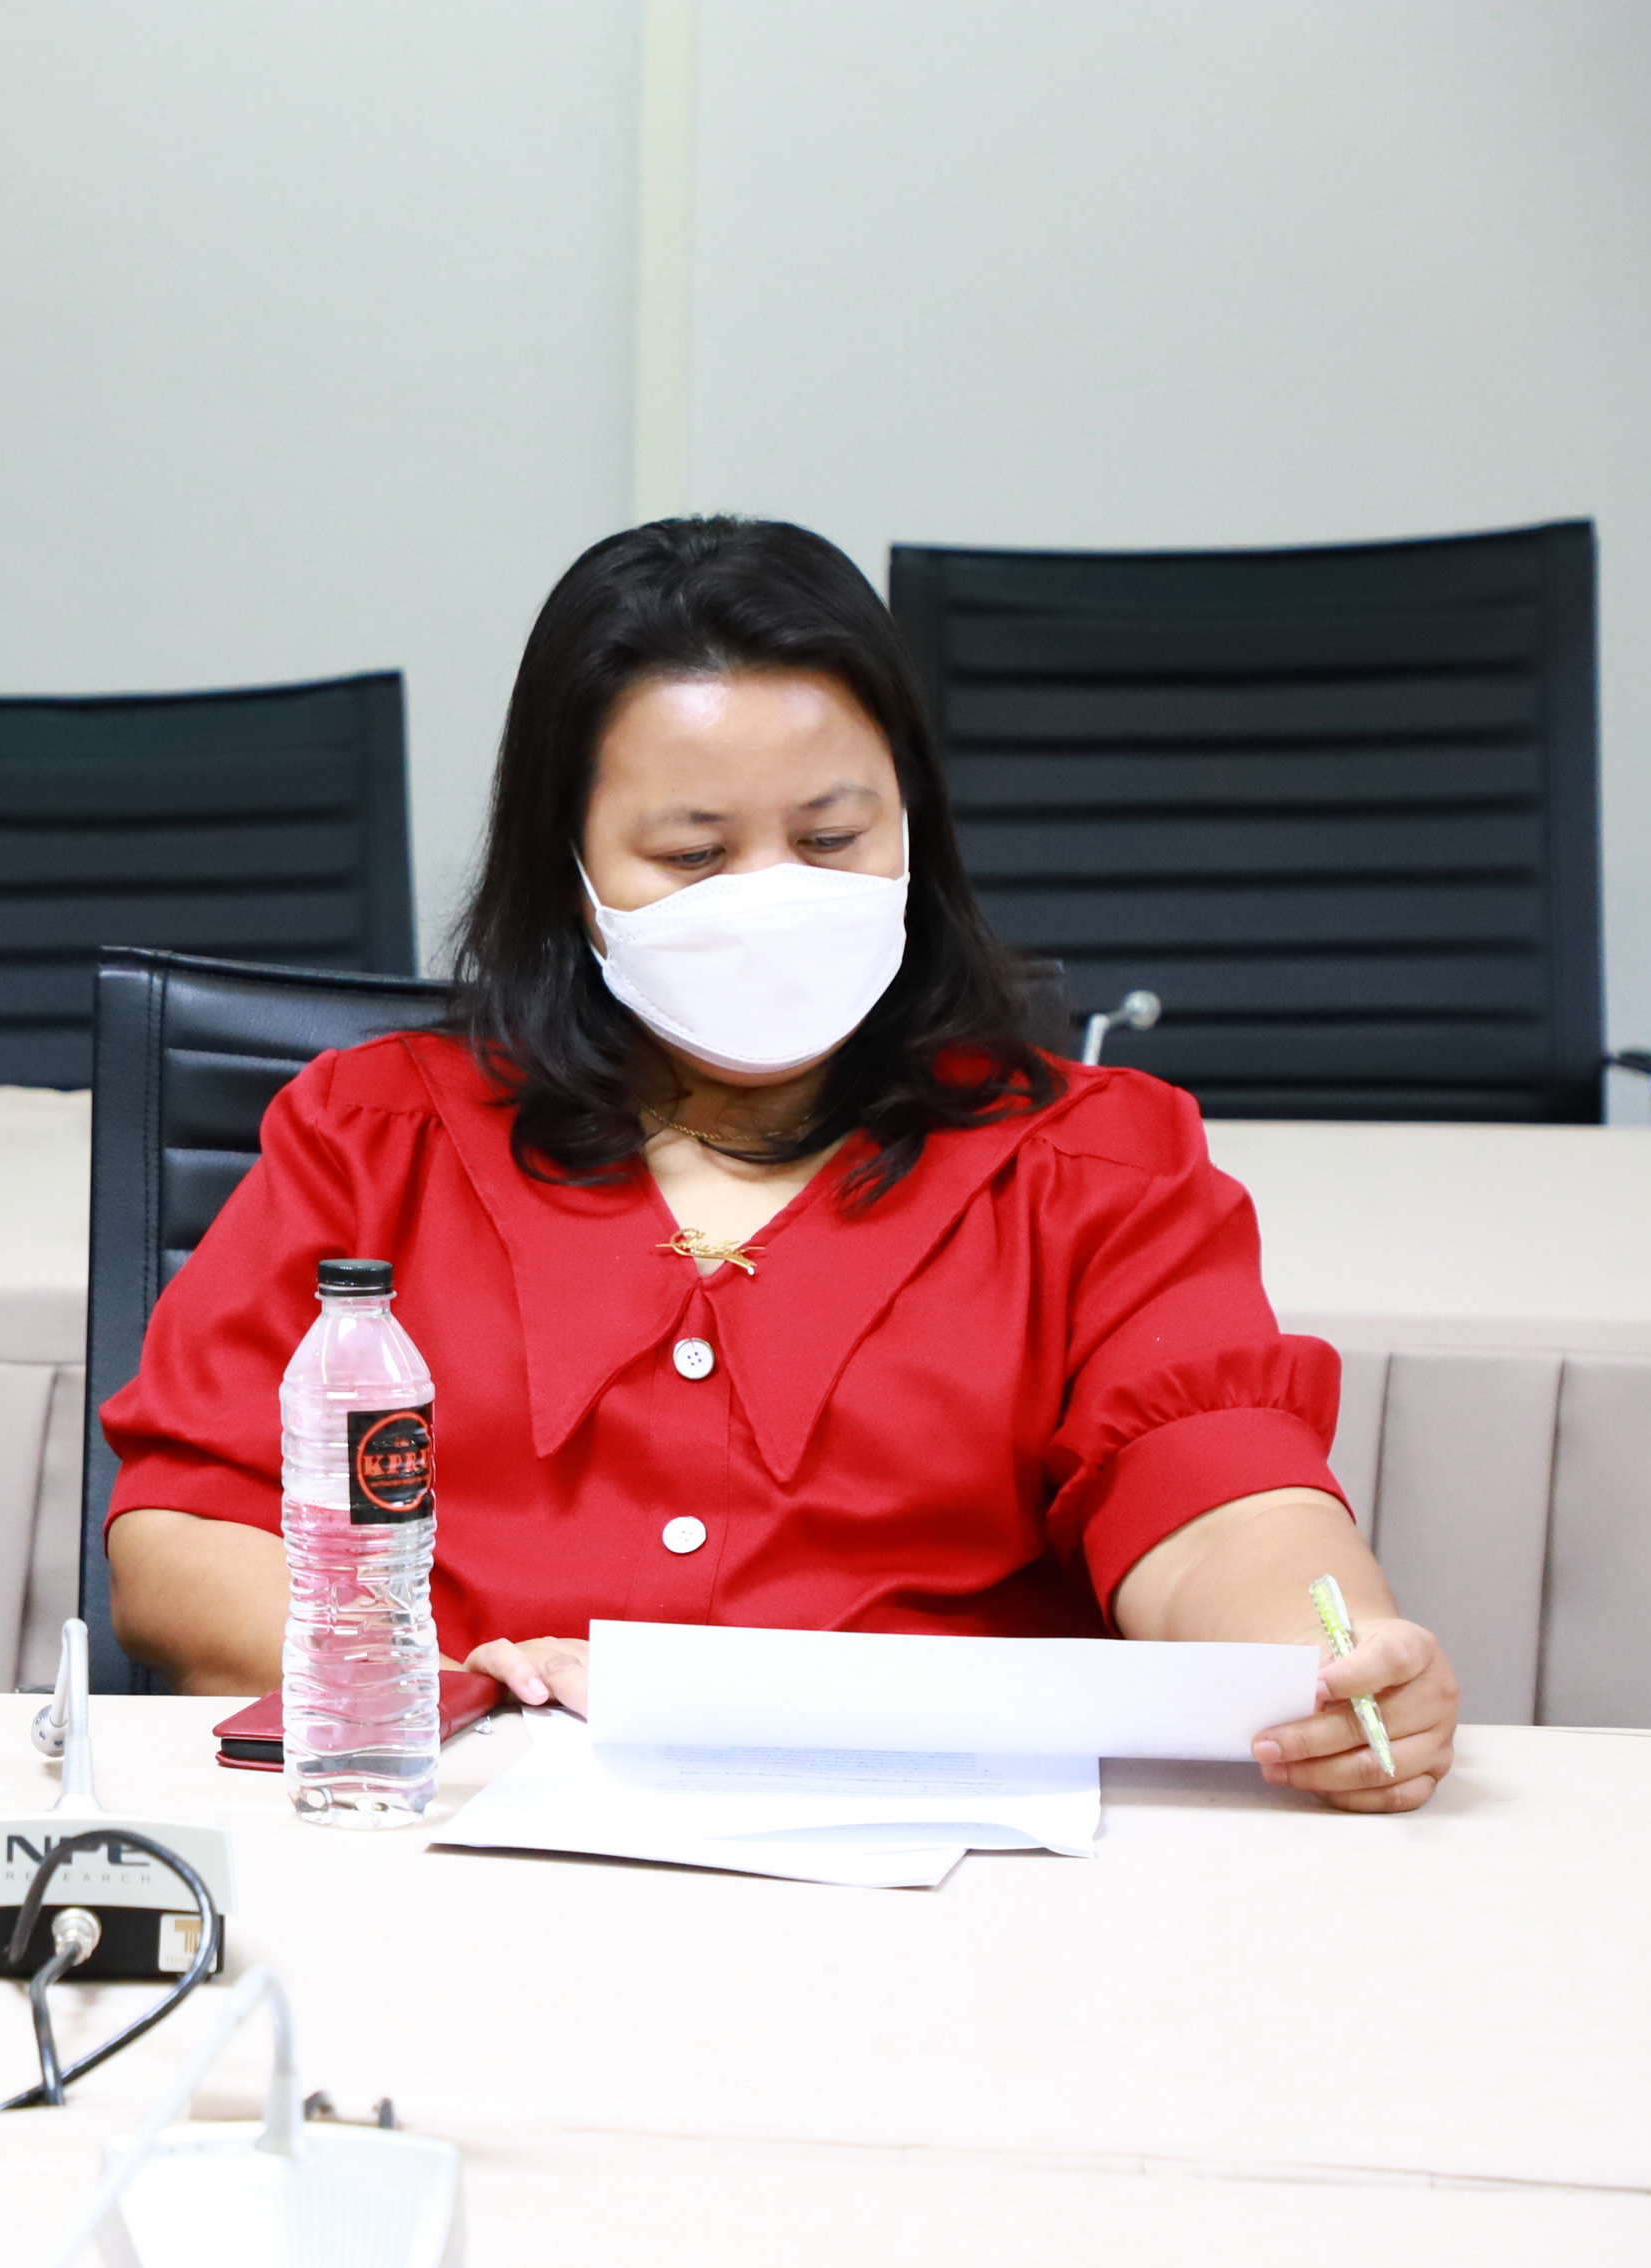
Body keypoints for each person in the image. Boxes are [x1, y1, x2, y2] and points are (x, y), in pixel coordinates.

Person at [102, 517, 1455, 1811]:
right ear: (567, 867)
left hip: (950, 1870)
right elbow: (186, 1539)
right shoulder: (372, 1136)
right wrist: (453, 1699)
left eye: (830, 840)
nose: (770, 897)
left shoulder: (1094, 1164)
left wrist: (1329, 1665)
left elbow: (1220, 1514)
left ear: (914, 826)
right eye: (693, 854)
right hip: (462, 1822)